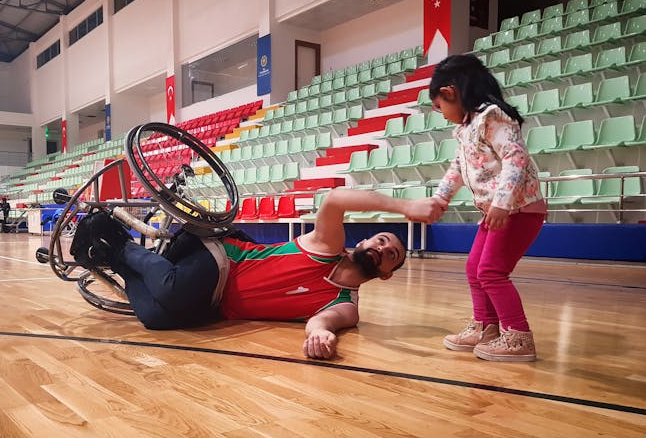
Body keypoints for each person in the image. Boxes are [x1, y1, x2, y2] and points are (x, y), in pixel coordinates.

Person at [69, 188, 445, 359]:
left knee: (154, 318)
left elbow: (322, 322)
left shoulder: (346, 305)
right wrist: (406, 206)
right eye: (380, 240)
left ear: (386, 274)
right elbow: (334, 199)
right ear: (364, 241)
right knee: (172, 290)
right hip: (220, 256)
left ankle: (104, 254)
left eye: (389, 255)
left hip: (215, 303)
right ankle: (118, 243)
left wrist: (321, 340)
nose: (380, 249)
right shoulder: (329, 244)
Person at [426, 54, 547, 362]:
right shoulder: (467, 129)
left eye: (439, 105)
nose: (439, 113)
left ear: (451, 92)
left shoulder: (493, 118)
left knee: (491, 271)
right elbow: (457, 168)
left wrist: (502, 204)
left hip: (518, 210)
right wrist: (441, 198)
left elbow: (516, 160)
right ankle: (485, 328)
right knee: (474, 269)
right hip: (500, 211)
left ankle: (518, 337)